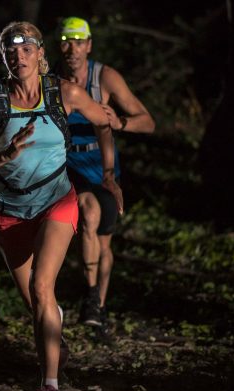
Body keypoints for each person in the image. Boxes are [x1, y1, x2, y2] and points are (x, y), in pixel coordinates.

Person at [0, 21, 121, 391]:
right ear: (4, 57)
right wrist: (4, 154)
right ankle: (55, 336)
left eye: (27, 49)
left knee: (41, 285)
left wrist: (111, 162)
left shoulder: (64, 93)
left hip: (56, 200)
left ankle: (49, 386)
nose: (19, 56)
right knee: (36, 303)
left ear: (40, 53)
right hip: (8, 209)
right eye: (11, 51)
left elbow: (105, 121)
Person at [54, 17, 155, 330]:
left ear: (89, 45)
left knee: (104, 241)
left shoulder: (105, 77)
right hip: (69, 166)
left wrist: (121, 122)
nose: (73, 49)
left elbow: (148, 122)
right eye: (66, 42)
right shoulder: (52, 80)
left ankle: (97, 306)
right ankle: (90, 295)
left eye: (79, 42)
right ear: (60, 45)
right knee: (88, 214)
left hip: (104, 166)